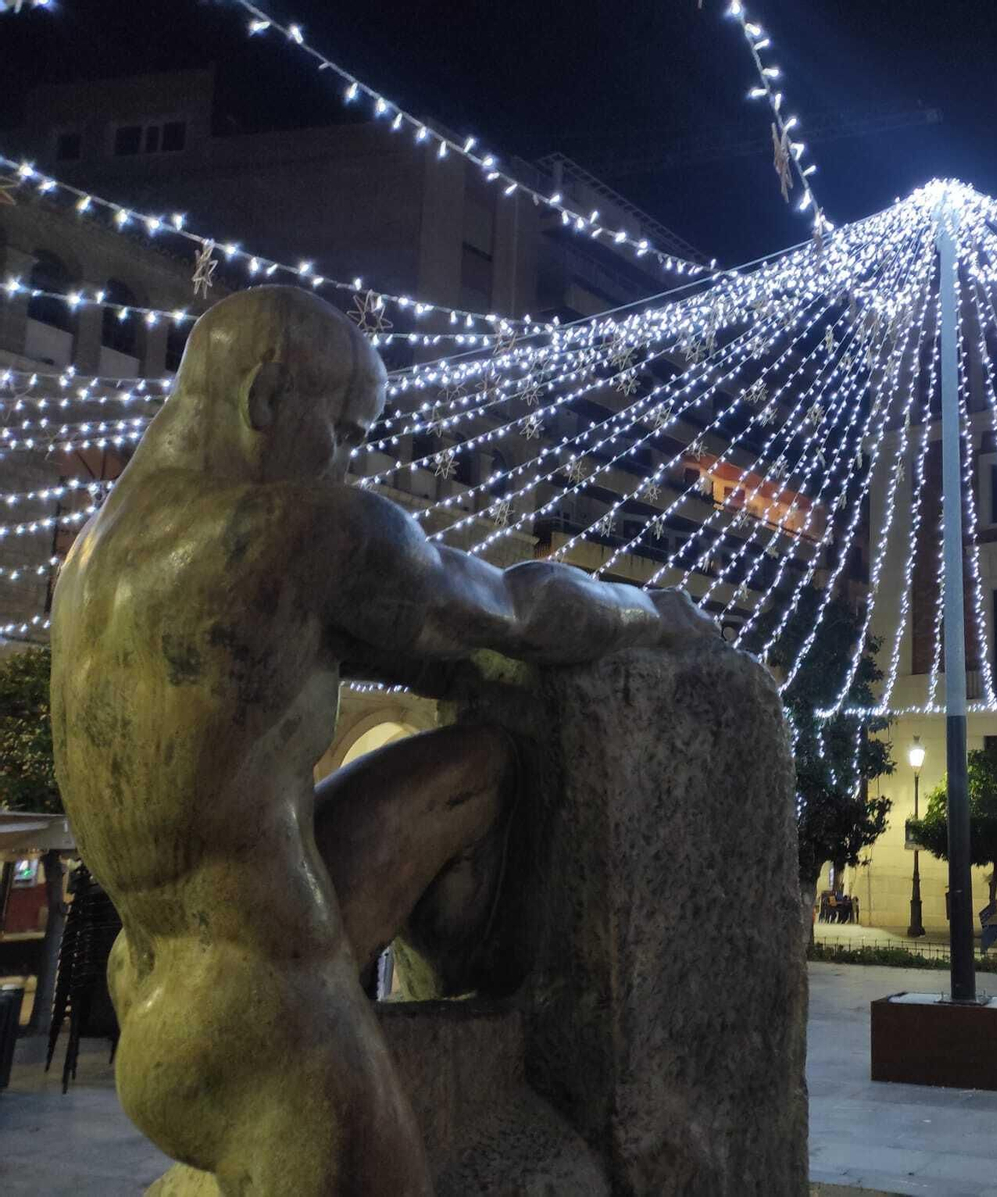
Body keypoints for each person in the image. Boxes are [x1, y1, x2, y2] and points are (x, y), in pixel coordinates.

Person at [51, 287, 720, 1196]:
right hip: (268, 1028)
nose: (349, 461)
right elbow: (513, 609)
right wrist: (667, 616)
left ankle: (465, 1000)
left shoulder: (91, 557)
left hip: (149, 987)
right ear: (265, 400)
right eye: (345, 430)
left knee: (474, 771)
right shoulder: (301, 531)